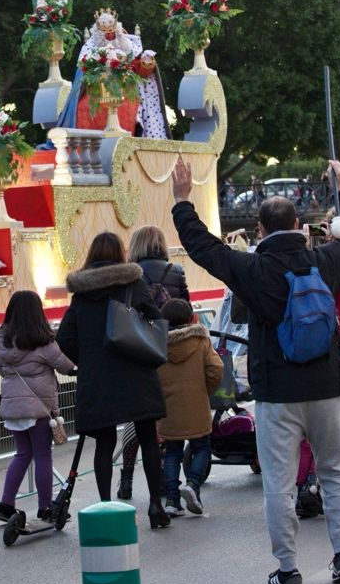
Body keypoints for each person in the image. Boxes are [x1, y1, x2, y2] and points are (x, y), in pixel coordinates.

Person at [170, 157, 340, 584]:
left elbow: (204, 247)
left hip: (278, 393)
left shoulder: (253, 270)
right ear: (298, 224)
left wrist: (182, 201)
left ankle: (288, 568)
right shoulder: (324, 261)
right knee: (335, 471)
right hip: (325, 386)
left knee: (279, 483)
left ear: (260, 231)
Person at [56, 232, 170, 528]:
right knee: (147, 438)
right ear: (121, 253)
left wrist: (89, 360)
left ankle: (107, 508)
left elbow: (64, 337)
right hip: (137, 374)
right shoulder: (133, 282)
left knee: (104, 444)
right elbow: (155, 318)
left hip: (99, 379)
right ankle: (156, 506)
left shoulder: (81, 292)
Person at [115, 225, 191, 499]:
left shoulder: (129, 275)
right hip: (170, 348)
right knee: (164, 416)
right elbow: (187, 308)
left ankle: (126, 478)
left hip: (141, 350)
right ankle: (163, 480)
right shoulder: (176, 272)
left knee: (137, 419)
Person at [0, 291, 75, 524]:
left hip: (14, 407)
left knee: (22, 454)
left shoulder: (2, 340)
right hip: (39, 406)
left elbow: (1, 368)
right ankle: (45, 508)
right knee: (42, 455)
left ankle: (6, 504)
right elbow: (64, 365)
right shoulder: (43, 341)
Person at [157, 298, 222, 517]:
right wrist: (205, 390)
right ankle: (193, 484)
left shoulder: (157, 344)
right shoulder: (201, 341)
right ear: (191, 318)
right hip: (196, 403)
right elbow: (216, 368)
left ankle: (172, 501)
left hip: (169, 407)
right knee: (202, 447)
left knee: (172, 452)